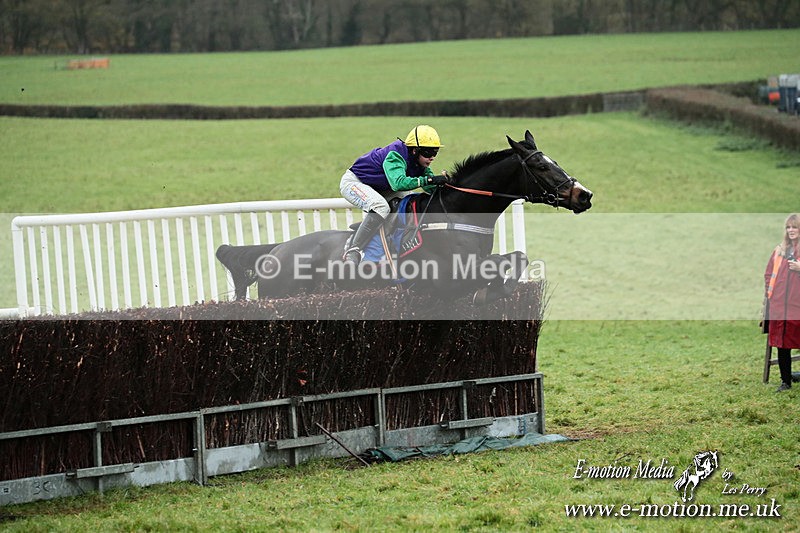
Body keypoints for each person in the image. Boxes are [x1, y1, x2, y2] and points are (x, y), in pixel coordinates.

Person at [339, 125, 450, 265]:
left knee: (407, 201)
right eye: (428, 153)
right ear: (415, 150)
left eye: (435, 152)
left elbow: (429, 187)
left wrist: (447, 186)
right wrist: (429, 180)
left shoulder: (421, 163)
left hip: (381, 187)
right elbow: (398, 183)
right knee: (381, 207)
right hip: (355, 182)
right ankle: (353, 250)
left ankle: (386, 239)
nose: (432, 157)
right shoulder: (395, 155)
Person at [763, 213, 800, 392]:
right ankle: (786, 381)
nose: (791, 230)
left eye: (795, 227)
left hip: (797, 305)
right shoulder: (779, 250)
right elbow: (768, 274)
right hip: (779, 306)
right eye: (788, 227)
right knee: (782, 342)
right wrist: (771, 296)